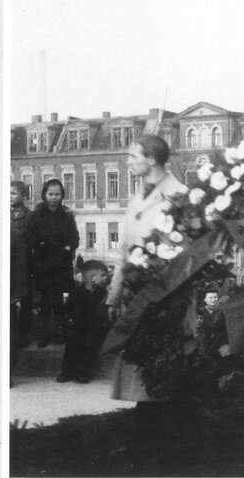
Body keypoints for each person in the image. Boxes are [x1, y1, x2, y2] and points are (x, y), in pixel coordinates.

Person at [106, 134, 188, 403]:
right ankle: (145, 417)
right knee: (139, 370)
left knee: (166, 366)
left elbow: (185, 252)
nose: (127, 161)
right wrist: (115, 295)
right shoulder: (136, 197)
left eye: (133, 156)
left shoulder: (179, 196)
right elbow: (124, 251)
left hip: (167, 296)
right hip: (135, 292)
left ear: (152, 160)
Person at [26, 178, 79, 348]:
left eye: (57, 194)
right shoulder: (37, 216)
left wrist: (67, 247)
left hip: (62, 266)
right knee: (45, 303)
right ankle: (44, 335)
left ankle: (58, 333)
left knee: (59, 302)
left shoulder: (67, 216)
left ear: (62, 195)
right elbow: (30, 238)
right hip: (43, 265)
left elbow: (75, 237)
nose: (54, 197)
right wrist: (39, 246)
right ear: (44, 195)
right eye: (51, 194)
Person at [58, 260, 111, 383]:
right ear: (92, 277)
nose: (105, 278)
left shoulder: (102, 293)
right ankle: (67, 371)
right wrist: (69, 320)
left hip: (94, 327)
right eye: (103, 275)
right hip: (78, 326)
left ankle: (83, 372)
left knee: (90, 346)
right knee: (72, 345)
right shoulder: (77, 292)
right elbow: (68, 309)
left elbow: (104, 312)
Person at [10, 181, 33, 386]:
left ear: (24, 195)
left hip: (24, 262)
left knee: (25, 300)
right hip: (9, 261)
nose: (10, 196)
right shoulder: (1, 212)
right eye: (8, 192)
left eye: (14, 193)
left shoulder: (29, 216)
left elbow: (33, 240)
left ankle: (25, 334)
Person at [198, 290, 229, 357]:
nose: (213, 300)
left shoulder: (222, 311)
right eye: (210, 298)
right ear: (205, 299)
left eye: (215, 297)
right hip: (205, 345)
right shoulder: (200, 311)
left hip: (220, 345)